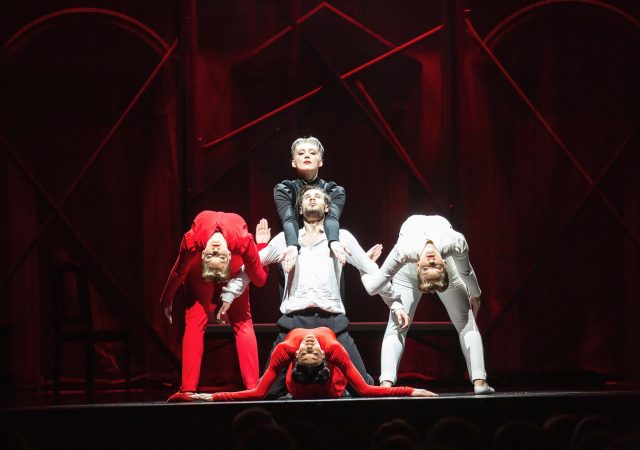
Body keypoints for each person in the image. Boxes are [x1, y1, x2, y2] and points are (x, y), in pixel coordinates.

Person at [218, 186, 409, 398]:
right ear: (299, 209)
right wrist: (229, 294)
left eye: (317, 196)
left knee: (363, 387)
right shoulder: (283, 240)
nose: (311, 199)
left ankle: (336, 387)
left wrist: (395, 303)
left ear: (327, 207)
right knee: (268, 392)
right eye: (307, 197)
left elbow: (371, 270)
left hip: (332, 321)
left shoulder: (342, 238)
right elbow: (251, 267)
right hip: (293, 321)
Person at [363, 215, 495, 394]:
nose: (432, 262)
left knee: (466, 321)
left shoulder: (405, 251)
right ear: (419, 266)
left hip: (445, 275)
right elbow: (466, 272)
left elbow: (373, 287)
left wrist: (365, 265)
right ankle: (386, 384)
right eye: (432, 267)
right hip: (407, 274)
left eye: (431, 267)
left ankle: (480, 382)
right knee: (398, 324)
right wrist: (476, 295)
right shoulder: (454, 243)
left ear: (445, 265)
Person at [160, 211, 269, 401]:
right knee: (195, 321)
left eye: (216, 255)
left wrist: (261, 245)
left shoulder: (239, 242)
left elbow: (260, 279)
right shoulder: (194, 244)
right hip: (199, 269)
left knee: (242, 321)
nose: (216, 251)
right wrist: (167, 298)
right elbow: (179, 272)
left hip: (233, 266)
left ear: (228, 255)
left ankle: (252, 388)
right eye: (212, 255)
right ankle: (187, 390)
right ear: (203, 255)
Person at [193, 327, 436, 400]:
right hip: (330, 371)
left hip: (303, 374)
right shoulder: (333, 349)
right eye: (314, 352)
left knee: (269, 393)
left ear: (295, 357)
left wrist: (210, 396)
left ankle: (307, 390)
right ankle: (330, 390)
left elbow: (256, 393)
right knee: (363, 383)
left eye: (306, 352)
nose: (309, 345)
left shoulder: (285, 349)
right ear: (325, 356)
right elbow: (366, 389)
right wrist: (411, 390)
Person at [274, 136, 351, 273]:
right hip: (294, 253)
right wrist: (293, 246)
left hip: (327, 252)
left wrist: (333, 241)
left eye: (312, 152)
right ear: (293, 162)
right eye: (301, 153)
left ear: (320, 161)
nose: (307, 155)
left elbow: (332, 218)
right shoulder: (284, 189)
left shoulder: (334, 191)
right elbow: (289, 219)